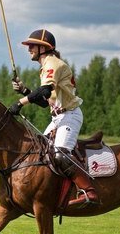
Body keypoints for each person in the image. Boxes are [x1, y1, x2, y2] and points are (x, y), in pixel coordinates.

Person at [9, 29, 98, 206]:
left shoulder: (52, 64)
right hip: (58, 118)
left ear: (44, 47)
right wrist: (25, 90)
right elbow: (44, 101)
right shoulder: (45, 67)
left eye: (32, 45)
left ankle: (89, 192)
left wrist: (20, 102)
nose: (29, 49)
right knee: (40, 152)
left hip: (69, 116)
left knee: (60, 155)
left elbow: (44, 91)